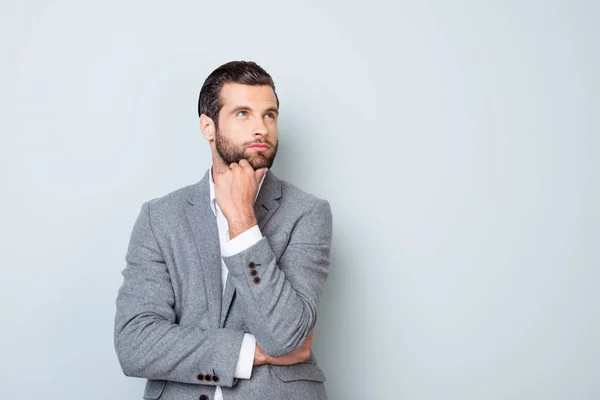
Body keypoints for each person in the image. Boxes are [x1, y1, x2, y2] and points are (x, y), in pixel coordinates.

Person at [114, 60, 333, 400]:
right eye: (243, 114)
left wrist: (243, 222)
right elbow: (135, 343)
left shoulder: (307, 213)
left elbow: (285, 337)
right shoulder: (160, 218)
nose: (261, 128)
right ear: (208, 126)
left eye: (269, 115)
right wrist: (248, 353)